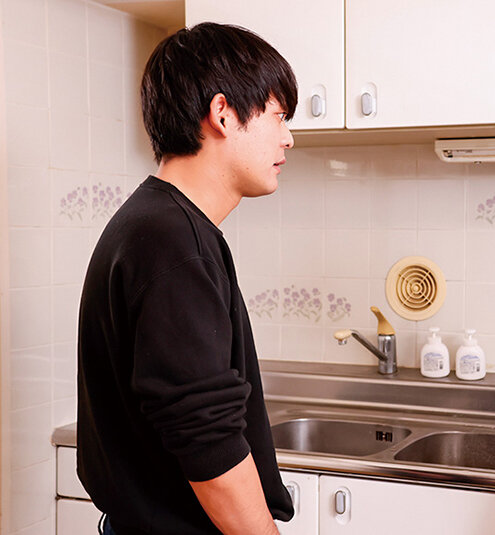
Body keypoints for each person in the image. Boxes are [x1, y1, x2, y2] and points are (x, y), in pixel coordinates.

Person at [77, 22, 297, 535]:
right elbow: (207, 441)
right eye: (278, 116)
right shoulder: (173, 242)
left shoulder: (158, 224)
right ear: (223, 114)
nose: (288, 137)